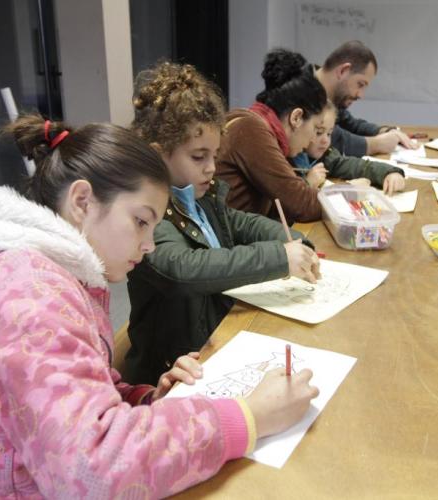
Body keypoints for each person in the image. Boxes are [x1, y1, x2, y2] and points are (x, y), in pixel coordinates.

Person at [0, 114, 319, 498]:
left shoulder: (49, 276)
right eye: (141, 221)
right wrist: (247, 417)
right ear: (82, 201)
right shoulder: (28, 295)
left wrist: (145, 401)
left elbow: (74, 393)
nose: (149, 245)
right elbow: (92, 469)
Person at [126, 62, 321, 385]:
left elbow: (238, 221)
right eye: (198, 157)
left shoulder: (199, 195)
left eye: (214, 156)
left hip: (216, 337)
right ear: (160, 155)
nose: (211, 168)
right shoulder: (147, 213)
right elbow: (182, 268)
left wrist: (294, 241)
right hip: (170, 371)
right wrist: (279, 258)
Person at [215, 48, 328, 223]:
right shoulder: (251, 130)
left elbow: (283, 202)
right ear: (296, 118)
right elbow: (302, 205)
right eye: (316, 128)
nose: (313, 139)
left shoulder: (252, 121)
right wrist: (349, 197)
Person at [310, 40, 415, 156]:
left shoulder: (328, 96)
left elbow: (351, 124)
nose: (360, 95)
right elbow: (332, 139)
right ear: (343, 71)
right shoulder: (300, 90)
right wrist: (375, 144)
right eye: (360, 84)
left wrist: (385, 131)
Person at [293, 100, 406, 194]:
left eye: (329, 133)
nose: (325, 140)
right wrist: (308, 183)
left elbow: (357, 166)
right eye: (318, 133)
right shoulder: (288, 162)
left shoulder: (327, 157)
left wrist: (389, 172)